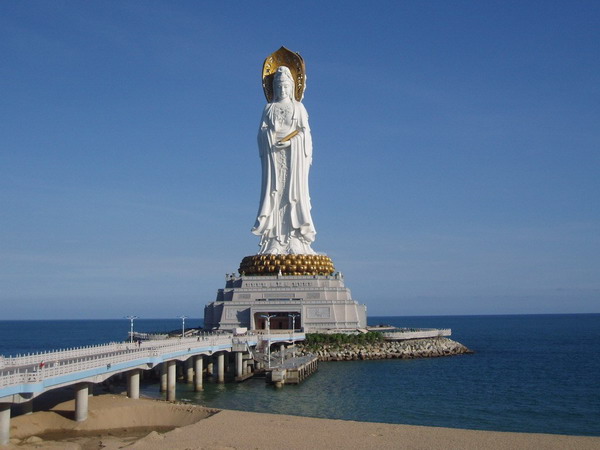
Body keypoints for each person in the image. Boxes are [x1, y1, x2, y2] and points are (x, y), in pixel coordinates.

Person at [252, 66, 316, 254]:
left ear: (292, 88)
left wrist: (292, 141)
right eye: (278, 87)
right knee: (274, 194)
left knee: (293, 195)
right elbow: (261, 134)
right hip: (274, 158)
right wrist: (270, 138)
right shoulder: (269, 108)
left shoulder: (298, 107)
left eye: (285, 86)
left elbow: (305, 135)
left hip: (293, 158)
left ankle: (295, 240)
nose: (282, 90)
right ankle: (274, 241)